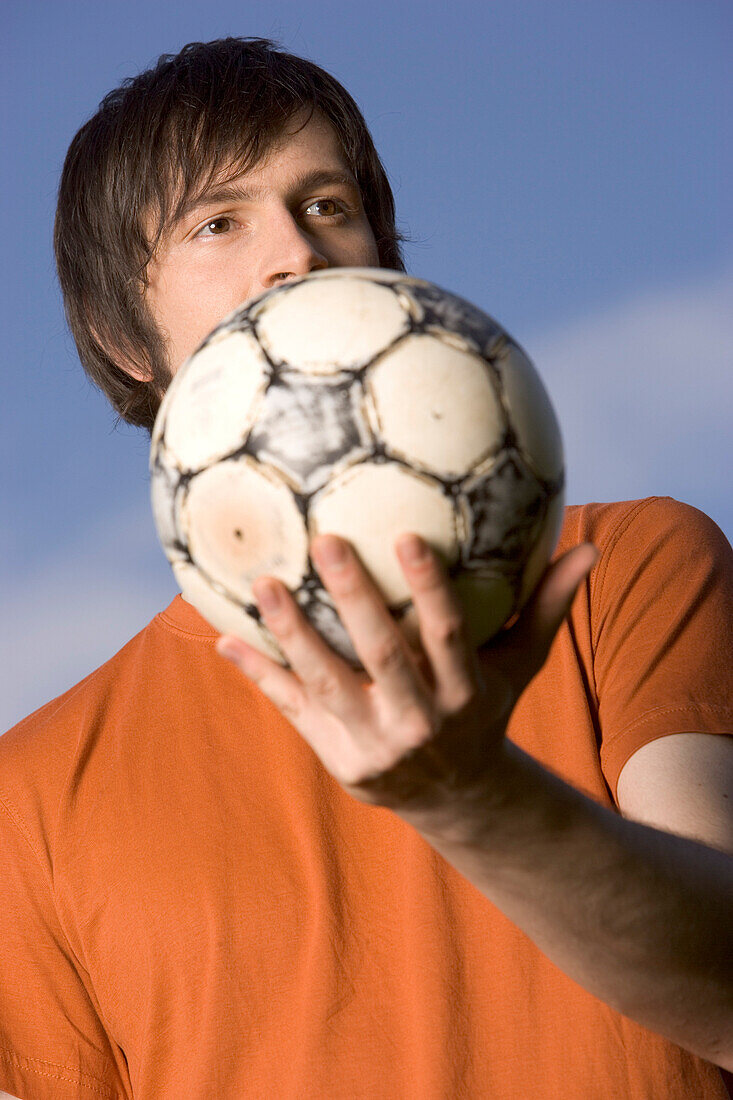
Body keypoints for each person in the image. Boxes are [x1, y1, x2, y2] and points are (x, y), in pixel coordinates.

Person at [0, 36, 731, 1100]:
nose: (293, 252)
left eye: (327, 204)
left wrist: (474, 799)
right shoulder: (31, 792)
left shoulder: (624, 567)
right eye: (219, 222)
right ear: (126, 337)